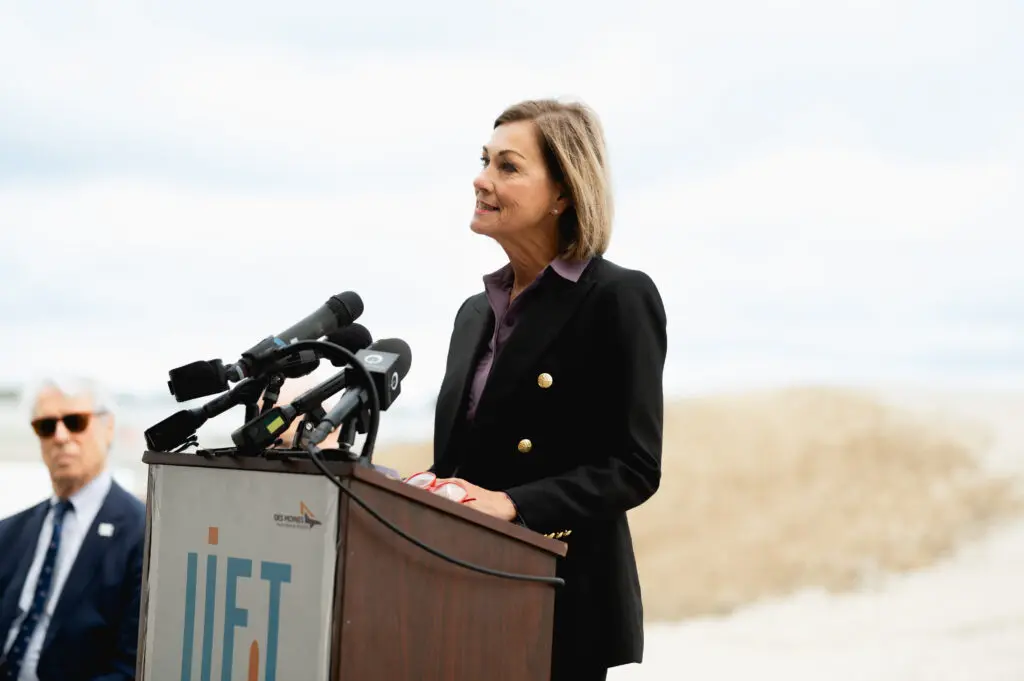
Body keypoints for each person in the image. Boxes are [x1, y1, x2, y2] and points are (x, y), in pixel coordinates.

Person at [429, 99, 667, 681]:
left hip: (559, 600)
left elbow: (634, 467)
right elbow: (460, 465)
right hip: (460, 593)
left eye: (507, 166)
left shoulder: (617, 298)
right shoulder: (473, 314)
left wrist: (514, 504)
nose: (481, 179)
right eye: (484, 161)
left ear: (563, 193)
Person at [0, 377, 146, 681]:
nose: (60, 436)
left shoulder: (142, 534)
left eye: (75, 422)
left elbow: (131, 666)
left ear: (108, 427)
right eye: (46, 426)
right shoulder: (9, 532)